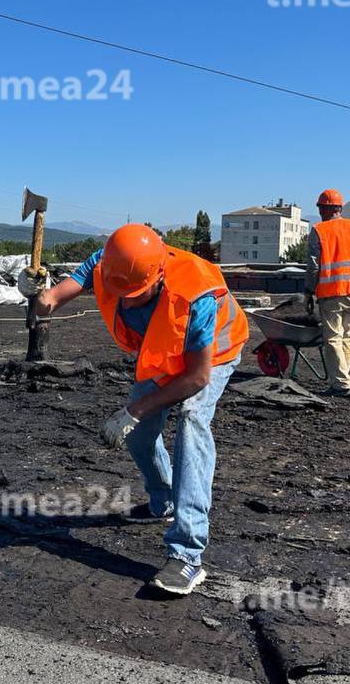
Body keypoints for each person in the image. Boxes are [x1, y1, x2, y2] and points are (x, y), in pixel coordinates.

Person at [20, 224, 247, 595]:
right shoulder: (111, 263)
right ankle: (163, 501)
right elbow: (51, 301)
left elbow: (196, 377)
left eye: (135, 296)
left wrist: (136, 408)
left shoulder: (196, 291)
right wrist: (32, 291)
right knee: (139, 434)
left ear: (157, 277)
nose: (125, 301)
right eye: (119, 293)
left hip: (212, 357)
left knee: (191, 418)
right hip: (163, 353)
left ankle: (187, 554)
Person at [305, 189, 350, 397]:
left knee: (333, 338)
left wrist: (308, 291)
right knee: (347, 336)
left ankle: (342, 384)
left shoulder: (319, 230)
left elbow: (313, 266)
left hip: (332, 293)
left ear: (322, 209)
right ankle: (343, 377)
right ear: (340, 208)